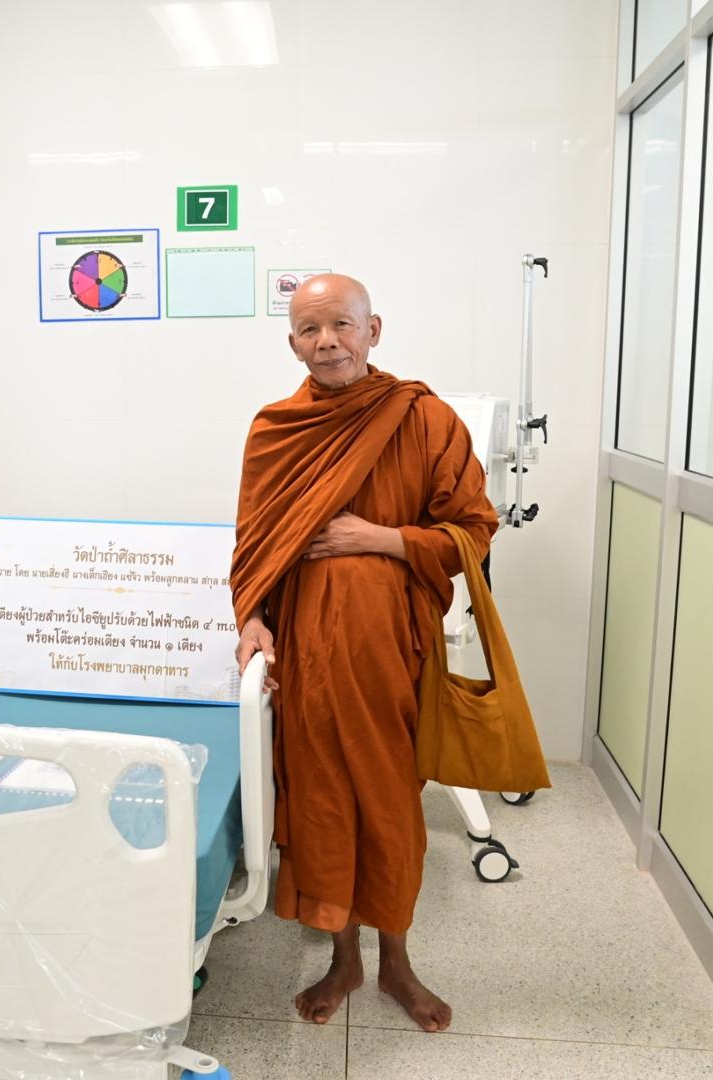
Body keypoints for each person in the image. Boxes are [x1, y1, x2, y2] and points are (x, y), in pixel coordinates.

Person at [231, 273, 499, 1032]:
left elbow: (473, 531)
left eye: (342, 326)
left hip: (391, 655)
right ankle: (343, 960)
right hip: (307, 655)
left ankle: (398, 965)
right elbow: (253, 542)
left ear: (372, 330)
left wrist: (379, 538)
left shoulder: (424, 419)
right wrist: (250, 616)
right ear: (293, 343)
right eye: (310, 330)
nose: (327, 343)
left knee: (389, 806)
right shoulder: (275, 429)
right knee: (322, 801)